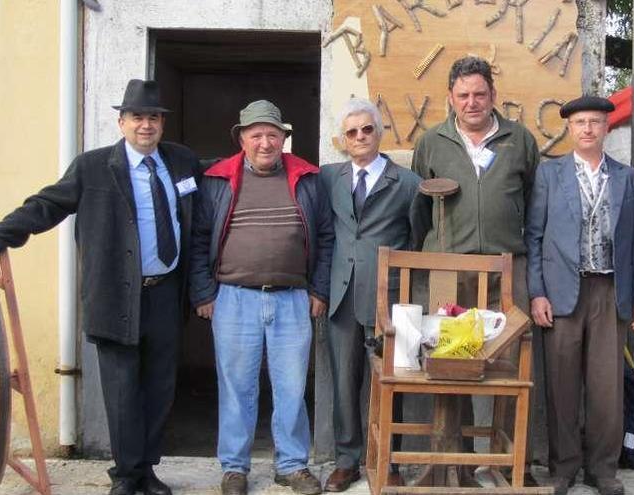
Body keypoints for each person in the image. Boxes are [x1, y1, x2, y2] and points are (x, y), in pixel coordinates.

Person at [0, 79, 199, 495]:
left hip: (166, 292)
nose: (145, 125)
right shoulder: (92, 167)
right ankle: (126, 476)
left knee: (160, 386)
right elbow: (47, 204)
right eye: (137, 117)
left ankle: (147, 469)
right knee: (122, 389)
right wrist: (0, 234)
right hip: (115, 294)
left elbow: (222, 179)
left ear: (162, 123)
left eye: (153, 117)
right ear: (121, 122)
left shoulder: (181, 162)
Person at [189, 100, 332, 495]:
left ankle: (292, 465)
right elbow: (199, 238)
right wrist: (204, 291)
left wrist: (318, 288)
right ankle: (235, 468)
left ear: (284, 138)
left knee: (291, 386)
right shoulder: (217, 179)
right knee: (236, 385)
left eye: (273, 135)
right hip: (234, 298)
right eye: (256, 135)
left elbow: (326, 236)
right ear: (242, 140)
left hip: (292, 299)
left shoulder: (307, 178)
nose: (265, 143)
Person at [410, 55, 541, 465]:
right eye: (463, 95)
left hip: (507, 269)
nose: (472, 103)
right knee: (450, 364)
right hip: (451, 272)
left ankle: (508, 459)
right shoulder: (431, 142)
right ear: (450, 98)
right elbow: (418, 212)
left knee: (510, 365)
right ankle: (453, 460)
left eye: (479, 94)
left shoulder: (519, 141)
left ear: (493, 96)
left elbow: (535, 205)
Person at [525, 95, 634, 495]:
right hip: (562, 290)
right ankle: (563, 468)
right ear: (569, 127)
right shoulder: (550, 174)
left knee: (606, 385)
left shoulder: (626, 177)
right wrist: (537, 293)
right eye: (580, 122)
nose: (587, 129)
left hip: (610, 289)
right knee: (562, 383)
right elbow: (534, 237)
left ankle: (603, 468)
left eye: (595, 122)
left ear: (606, 128)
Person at [319, 98, 421, 492]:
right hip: (342, 296)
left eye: (367, 129)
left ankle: (388, 458)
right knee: (345, 383)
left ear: (380, 133)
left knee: (390, 383)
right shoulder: (329, 178)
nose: (360, 137)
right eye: (352, 132)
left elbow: (415, 239)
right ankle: (347, 460)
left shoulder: (408, 183)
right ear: (343, 140)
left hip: (389, 299)